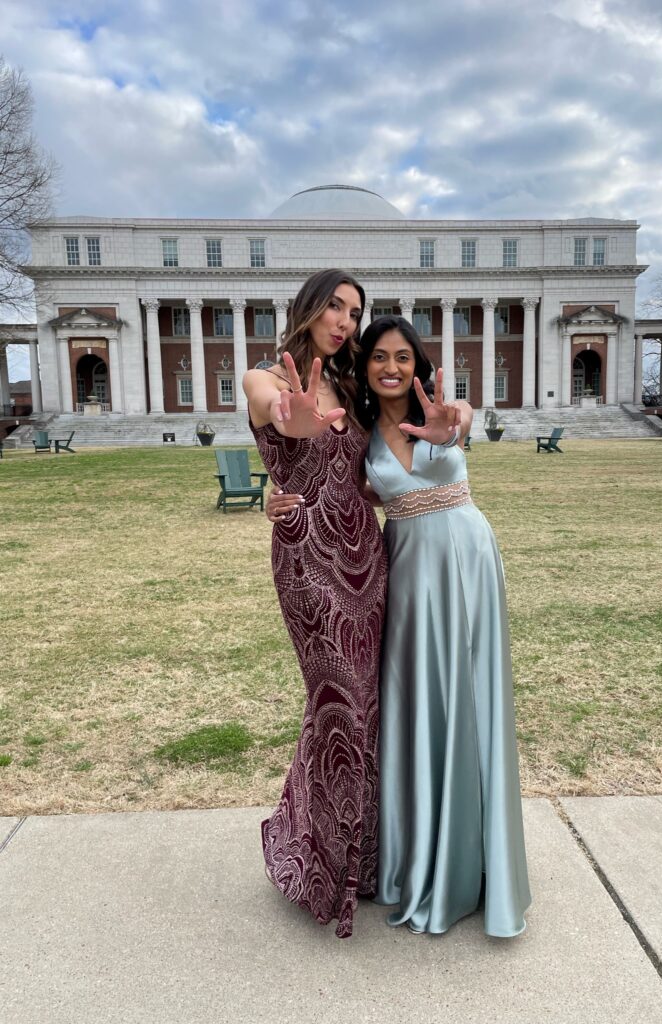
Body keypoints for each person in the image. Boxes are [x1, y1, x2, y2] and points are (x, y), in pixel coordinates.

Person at [269, 314, 531, 937]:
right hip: (407, 573)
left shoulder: (444, 411)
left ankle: (477, 859)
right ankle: (418, 856)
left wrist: (457, 424)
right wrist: (271, 499)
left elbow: (462, 418)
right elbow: (327, 485)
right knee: (415, 708)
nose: (392, 367)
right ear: (364, 368)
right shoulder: (359, 434)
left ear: (419, 365)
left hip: (467, 560)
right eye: (379, 357)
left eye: (404, 358)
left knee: (471, 701)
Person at [242, 269, 388, 939]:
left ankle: (367, 855)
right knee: (335, 701)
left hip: (368, 559)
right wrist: (290, 419)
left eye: (354, 312)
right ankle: (321, 867)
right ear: (308, 306)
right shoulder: (264, 378)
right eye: (334, 304)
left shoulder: (355, 388)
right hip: (306, 559)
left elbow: (374, 473)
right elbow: (276, 410)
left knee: (368, 704)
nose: (344, 320)